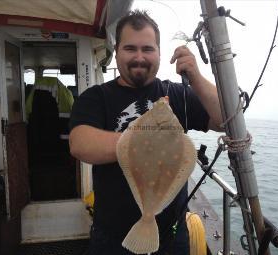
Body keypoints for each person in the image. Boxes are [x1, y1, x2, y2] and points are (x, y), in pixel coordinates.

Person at [69, 10, 223, 255]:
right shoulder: (96, 97)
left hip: (172, 238)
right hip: (111, 238)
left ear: (160, 53)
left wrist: (196, 77)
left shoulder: (177, 94)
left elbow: (226, 121)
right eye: (130, 48)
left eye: (148, 49)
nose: (139, 57)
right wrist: (149, 137)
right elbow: (80, 143)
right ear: (116, 50)